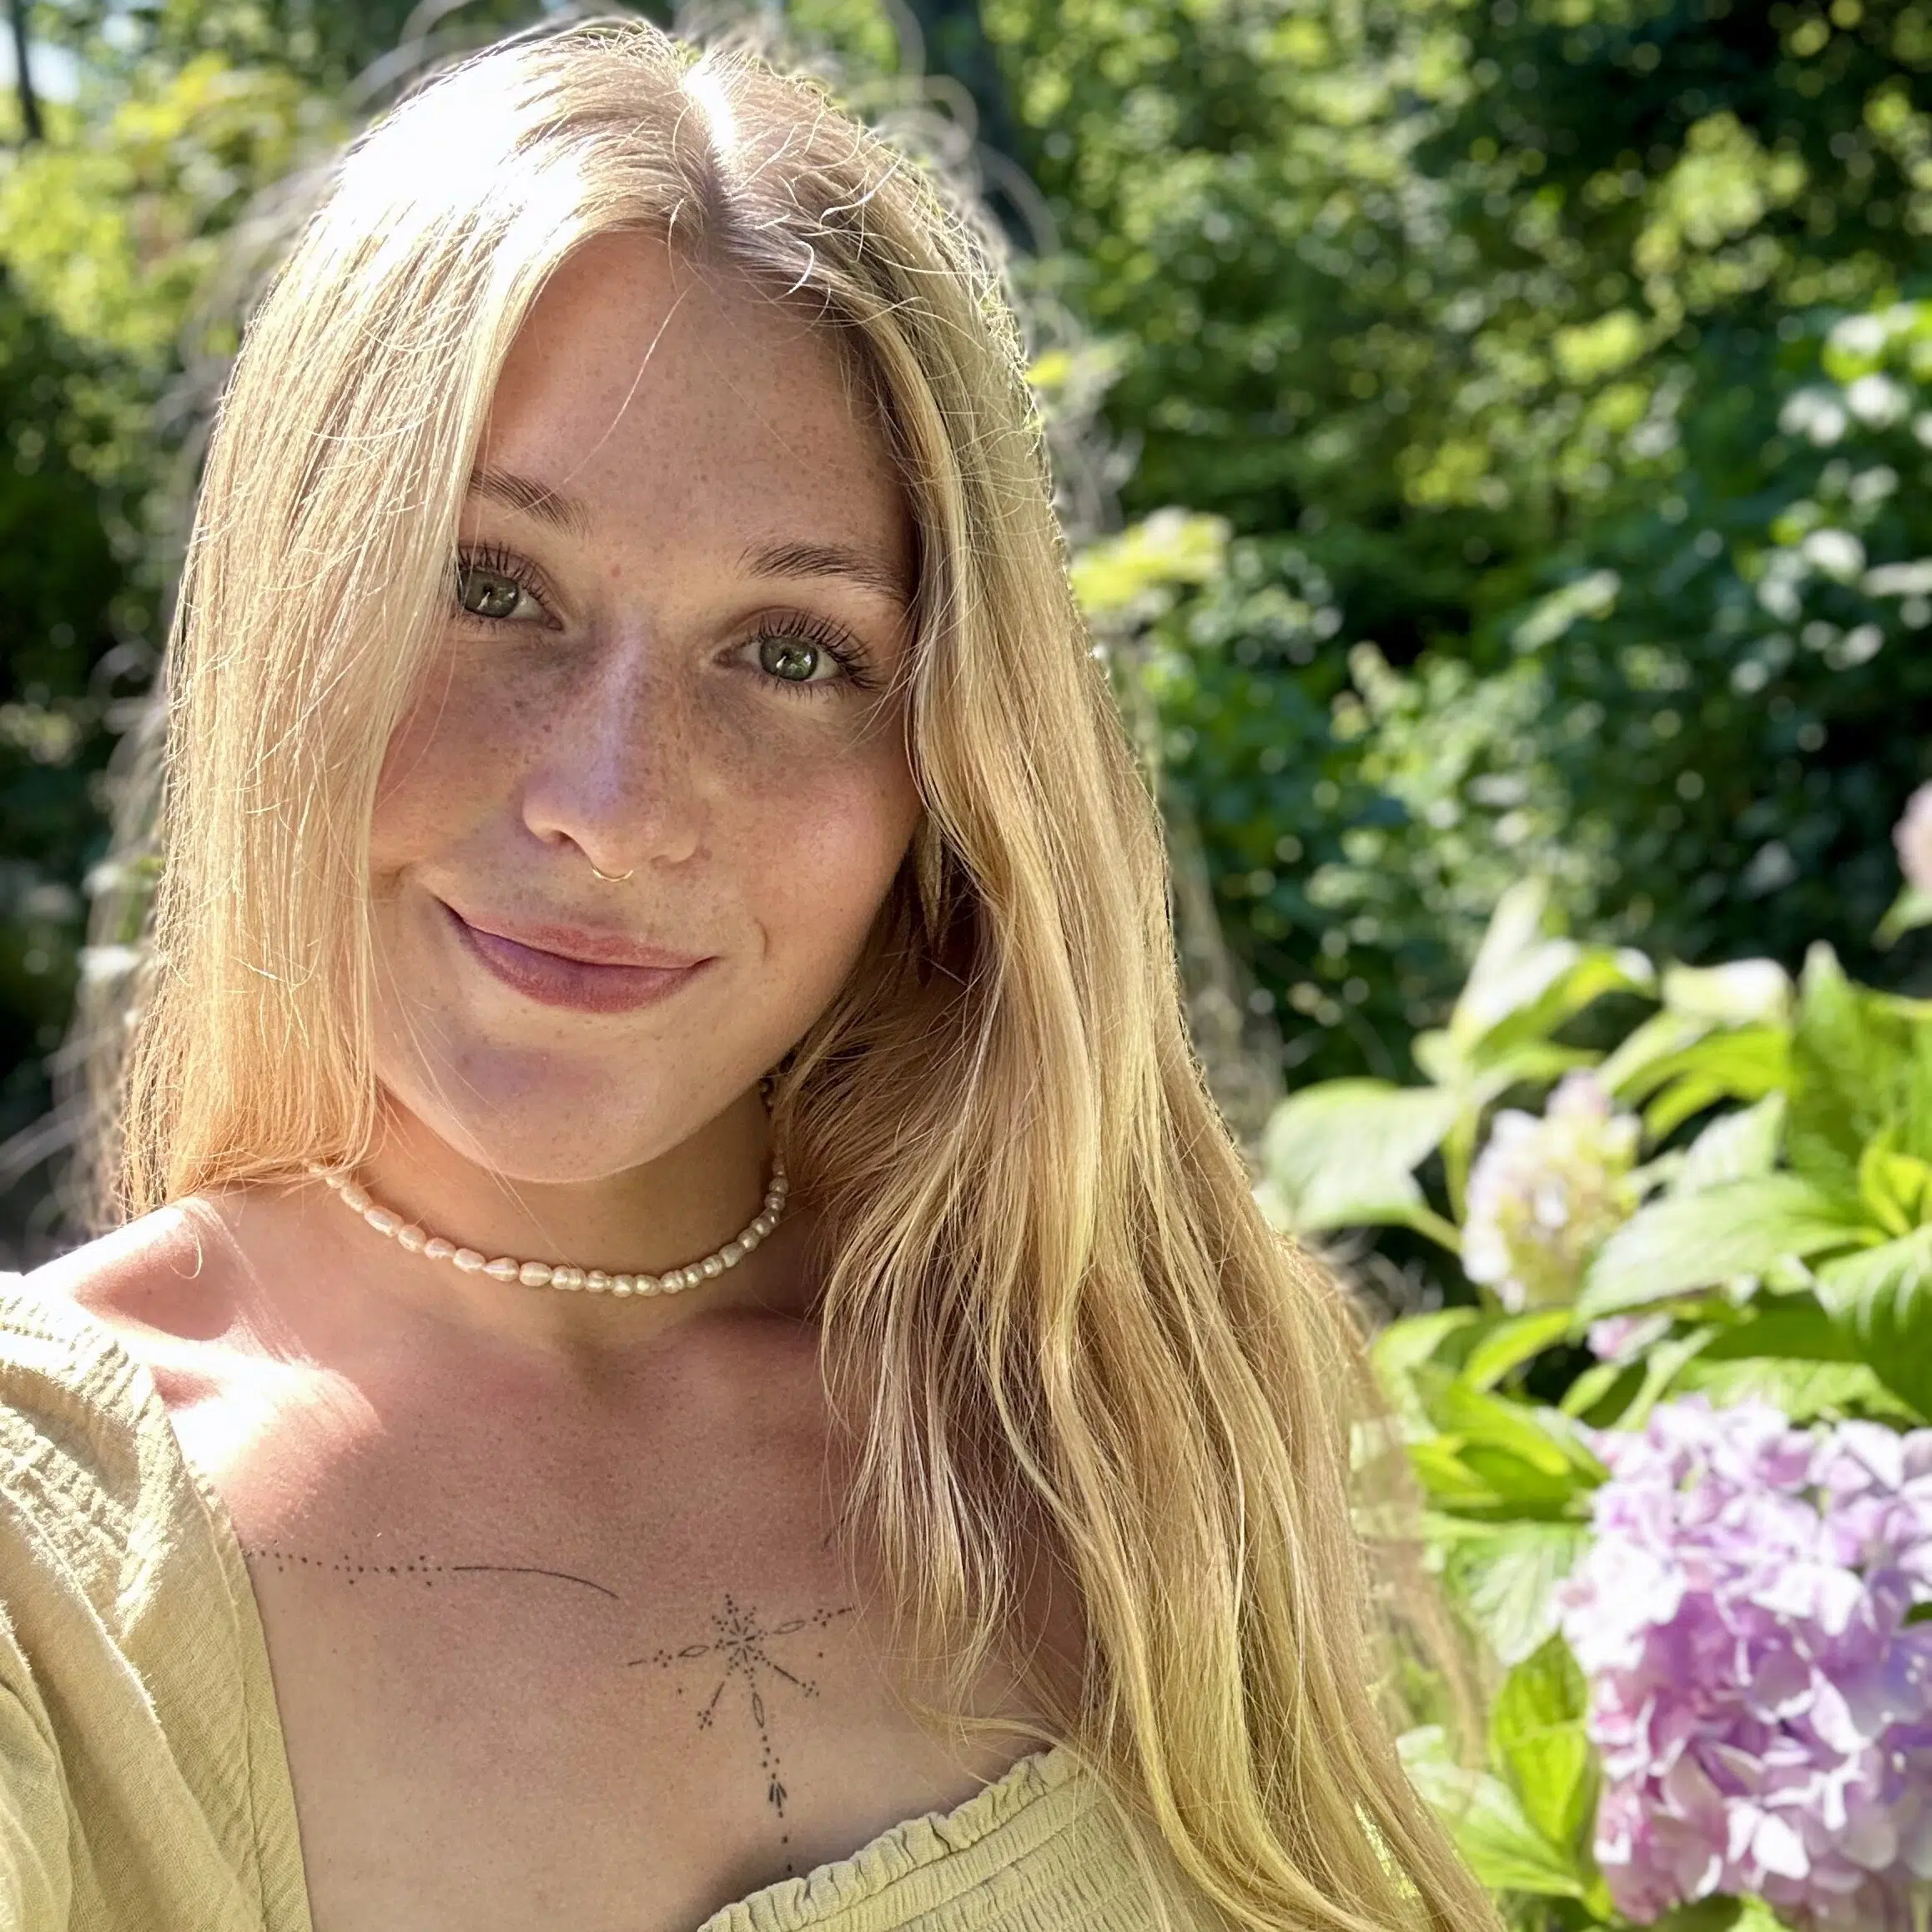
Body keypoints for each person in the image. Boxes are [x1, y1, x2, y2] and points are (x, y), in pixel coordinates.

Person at [0, 18, 1498, 1932]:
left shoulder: (1115, 1419)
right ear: (294, 599)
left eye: (791, 652)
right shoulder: (49, 1562)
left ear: (944, 760)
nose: (614, 807)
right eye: (488, 585)